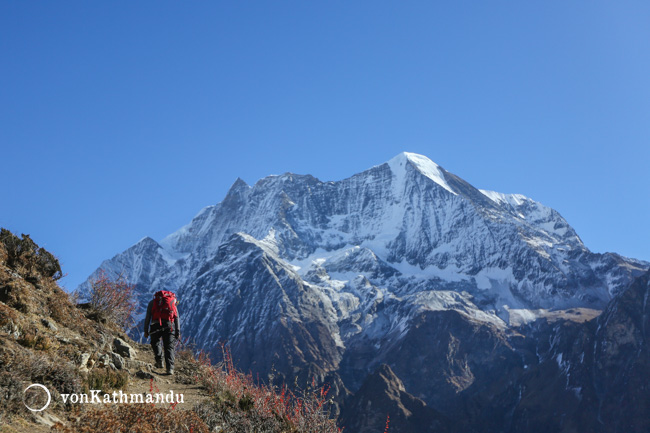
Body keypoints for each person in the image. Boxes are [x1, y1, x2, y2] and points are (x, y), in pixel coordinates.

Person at [144, 290, 180, 375]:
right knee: (169, 346)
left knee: (155, 342)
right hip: (169, 325)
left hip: (155, 324)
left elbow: (148, 317)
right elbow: (176, 317)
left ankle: (159, 360)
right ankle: (170, 368)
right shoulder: (172, 302)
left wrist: (146, 330)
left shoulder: (152, 303)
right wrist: (177, 331)